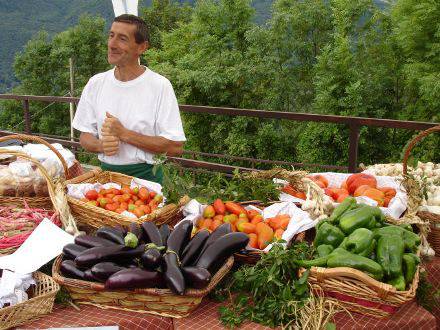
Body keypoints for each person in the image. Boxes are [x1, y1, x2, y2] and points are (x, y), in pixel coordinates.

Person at [72, 14, 186, 184]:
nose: (112, 44)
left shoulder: (159, 86)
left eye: (122, 39)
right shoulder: (96, 83)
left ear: (142, 47)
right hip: (106, 182)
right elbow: (85, 136)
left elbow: (175, 147)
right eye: (111, 35)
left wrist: (124, 134)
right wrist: (100, 146)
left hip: (148, 183)